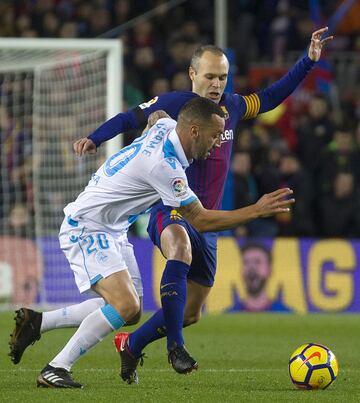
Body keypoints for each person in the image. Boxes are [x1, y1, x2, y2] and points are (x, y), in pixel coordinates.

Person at [72, 27, 332, 383]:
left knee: (190, 313)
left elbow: (271, 97)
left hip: (208, 218)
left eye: (222, 77)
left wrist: (308, 61)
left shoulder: (234, 107)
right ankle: (175, 348)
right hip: (172, 208)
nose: (216, 83)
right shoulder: (175, 104)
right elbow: (130, 117)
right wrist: (96, 137)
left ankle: (132, 344)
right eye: (210, 76)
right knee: (178, 246)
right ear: (193, 74)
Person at [10, 97, 294, 389]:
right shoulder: (165, 166)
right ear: (194, 131)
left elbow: (157, 117)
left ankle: (39, 323)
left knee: (131, 311)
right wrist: (256, 210)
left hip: (113, 228)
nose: (218, 143)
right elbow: (200, 220)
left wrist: (153, 119)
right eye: (214, 135)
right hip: (87, 228)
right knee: (125, 305)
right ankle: (56, 367)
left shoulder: (169, 126)